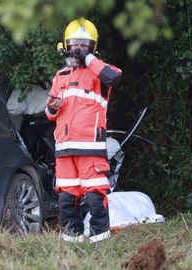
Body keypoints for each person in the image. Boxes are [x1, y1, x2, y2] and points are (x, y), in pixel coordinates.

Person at [45, 18, 122, 243]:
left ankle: (100, 241)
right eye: (75, 44)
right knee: (67, 199)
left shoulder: (100, 74)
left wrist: (89, 59)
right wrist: (52, 107)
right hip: (64, 150)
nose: (78, 49)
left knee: (96, 197)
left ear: (93, 47)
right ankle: (72, 244)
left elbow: (115, 77)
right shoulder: (60, 76)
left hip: (90, 149)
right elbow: (50, 114)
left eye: (84, 44)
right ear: (66, 45)